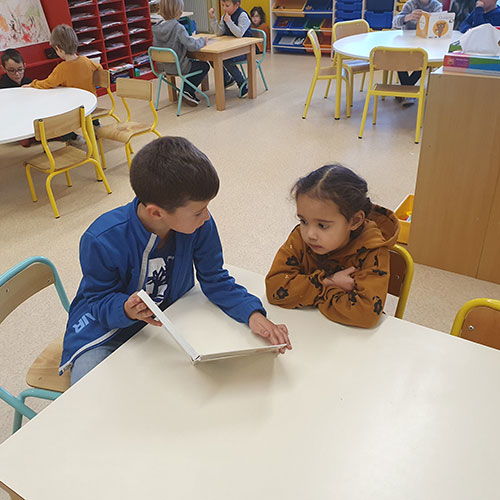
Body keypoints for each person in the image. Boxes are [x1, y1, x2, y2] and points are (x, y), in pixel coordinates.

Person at [60, 136, 292, 384]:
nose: (206, 217)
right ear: (156, 213)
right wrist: (126, 308)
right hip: (105, 331)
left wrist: (252, 314)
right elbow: (97, 299)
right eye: (198, 212)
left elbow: (215, 279)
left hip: (168, 325)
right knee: (92, 393)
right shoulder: (102, 238)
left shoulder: (199, 225)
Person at [265, 165, 399, 329]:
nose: (310, 234)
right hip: (305, 331)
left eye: (322, 225)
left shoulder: (373, 250)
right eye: (304, 221)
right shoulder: (300, 236)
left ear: (354, 221)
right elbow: (275, 288)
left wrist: (305, 291)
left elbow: (365, 314)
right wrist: (327, 282)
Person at [25, 24, 103, 146]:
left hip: (73, 111)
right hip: (91, 105)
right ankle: (96, 126)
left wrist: (33, 84)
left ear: (58, 49)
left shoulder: (61, 69)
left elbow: (47, 83)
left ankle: (72, 137)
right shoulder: (88, 62)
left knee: (54, 114)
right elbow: (100, 69)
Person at [152, 0, 210, 106]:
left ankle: (185, 91)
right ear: (178, 12)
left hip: (164, 68)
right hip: (180, 67)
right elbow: (192, 46)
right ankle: (187, 90)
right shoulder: (178, 27)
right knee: (204, 66)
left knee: (193, 64)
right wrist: (202, 41)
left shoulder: (156, 28)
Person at [392, 0, 443, 106]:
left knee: (427, 60)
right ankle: (407, 91)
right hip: (408, 43)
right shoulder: (410, 4)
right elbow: (395, 22)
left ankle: (403, 90)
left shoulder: (436, 6)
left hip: (428, 44)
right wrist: (408, 17)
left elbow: (439, 27)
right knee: (399, 57)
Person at [208, 0, 252, 97]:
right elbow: (219, 32)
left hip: (245, 50)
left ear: (237, 5)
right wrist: (213, 19)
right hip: (230, 48)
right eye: (223, 5)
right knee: (212, 57)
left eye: (227, 5)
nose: (224, 8)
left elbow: (239, 33)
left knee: (227, 60)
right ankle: (227, 79)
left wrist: (229, 22)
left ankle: (242, 84)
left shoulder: (242, 15)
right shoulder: (225, 16)